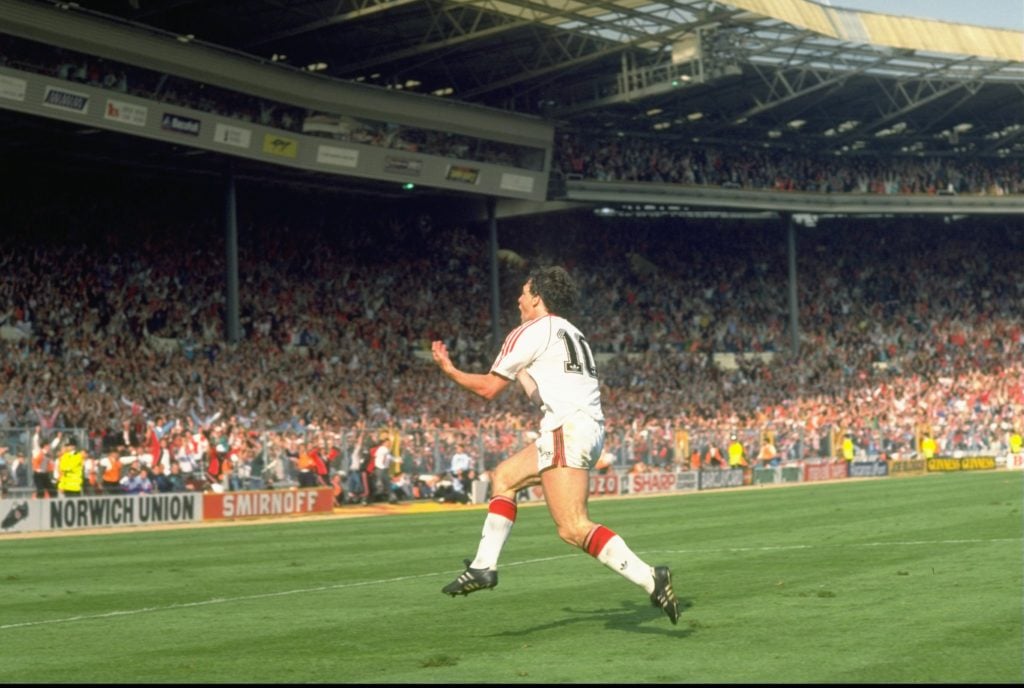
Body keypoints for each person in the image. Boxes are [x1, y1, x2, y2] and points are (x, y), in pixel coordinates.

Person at [430, 265, 679, 624]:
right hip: (583, 428)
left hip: (566, 429)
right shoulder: (572, 332)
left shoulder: (529, 331)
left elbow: (487, 389)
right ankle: (484, 566)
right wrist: (521, 372)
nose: (518, 298)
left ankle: (650, 577)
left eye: (523, 292)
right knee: (504, 477)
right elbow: (540, 396)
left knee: (572, 527)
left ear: (537, 297)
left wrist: (450, 370)